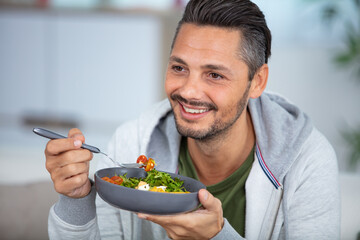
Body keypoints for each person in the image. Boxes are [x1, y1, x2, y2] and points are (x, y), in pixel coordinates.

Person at [44, 0, 340, 239]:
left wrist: (217, 237)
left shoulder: (308, 160)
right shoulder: (131, 142)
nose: (188, 90)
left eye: (214, 74)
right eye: (179, 68)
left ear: (257, 82)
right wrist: (76, 198)